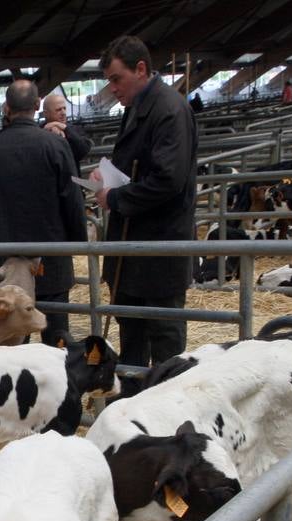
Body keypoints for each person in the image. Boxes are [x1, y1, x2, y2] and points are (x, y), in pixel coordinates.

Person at [93, 34, 198, 368]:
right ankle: (132, 404)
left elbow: (168, 179)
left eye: (116, 79)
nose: (113, 88)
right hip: (135, 249)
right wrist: (107, 176)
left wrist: (116, 196)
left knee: (164, 338)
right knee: (132, 335)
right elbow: (138, 165)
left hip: (159, 248)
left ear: (141, 68)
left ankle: (169, 409)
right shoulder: (139, 107)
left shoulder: (168, 109)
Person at [0, 79, 87, 347]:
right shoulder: (55, 146)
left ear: (8, 108)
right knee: (56, 334)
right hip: (50, 258)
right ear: (37, 106)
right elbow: (72, 199)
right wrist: (78, 242)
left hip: (5, 262)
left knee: (8, 339)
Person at [40, 93, 91, 166]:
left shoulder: (73, 129)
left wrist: (65, 128)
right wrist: (46, 133)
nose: (63, 113)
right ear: (46, 113)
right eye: (58, 110)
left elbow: (84, 150)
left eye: (64, 108)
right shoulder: (37, 131)